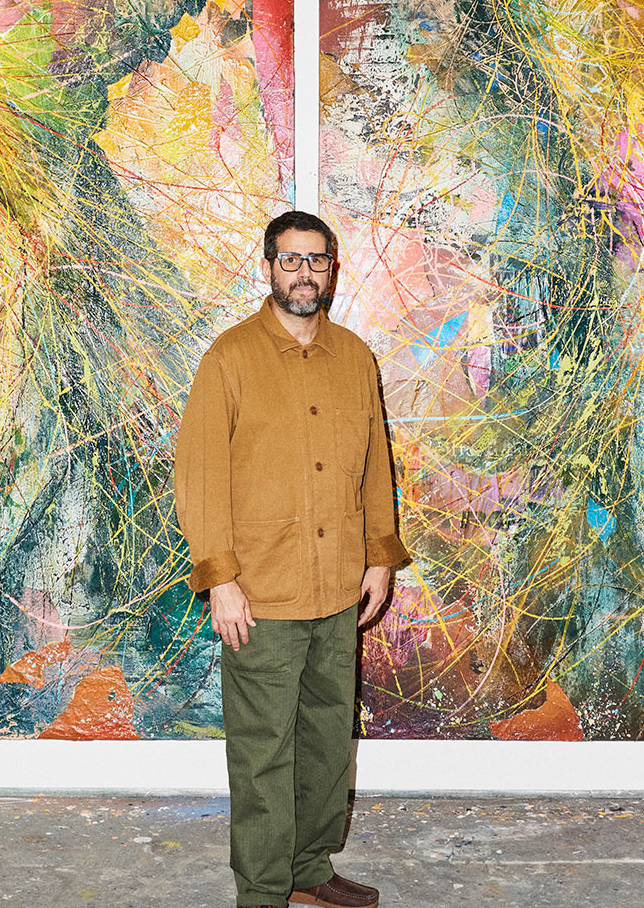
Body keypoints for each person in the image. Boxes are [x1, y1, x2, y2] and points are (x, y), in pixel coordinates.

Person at [174, 210, 410, 908]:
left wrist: (378, 557)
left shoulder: (355, 358)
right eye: (290, 260)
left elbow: (375, 469)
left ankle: (309, 870)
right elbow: (199, 477)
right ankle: (262, 892)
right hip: (262, 596)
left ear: (333, 267)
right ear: (269, 268)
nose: (304, 273)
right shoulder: (230, 359)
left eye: (316, 260)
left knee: (328, 741)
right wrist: (221, 578)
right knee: (263, 753)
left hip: (338, 589)